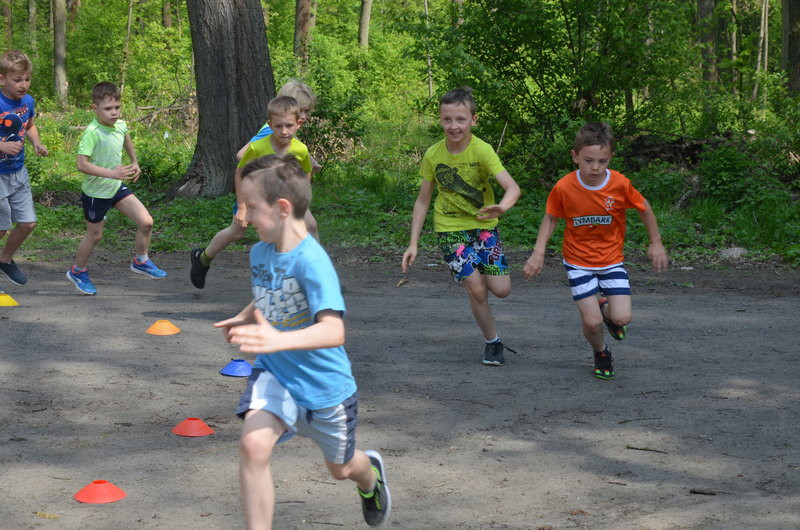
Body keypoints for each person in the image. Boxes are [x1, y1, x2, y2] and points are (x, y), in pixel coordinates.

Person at [214, 154, 390, 529]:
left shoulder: (312, 261)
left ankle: (370, 476)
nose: (244, 216)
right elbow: (273, 291)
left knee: (341, 468)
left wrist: (276, 338)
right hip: (275, 374)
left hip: (325, 388)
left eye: (250, 207)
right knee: (252, 446)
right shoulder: (260, 251)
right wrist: (246, 315)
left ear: (282, 208)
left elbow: (333, 331)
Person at [523, 122, 668, 380]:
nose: (595, 168)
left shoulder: (619, 184)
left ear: (611, 157)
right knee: (591, 323)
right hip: (578, 262)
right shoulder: (564, 187)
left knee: (622, 318)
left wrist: (655, 242)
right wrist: (538, 252)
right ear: (575, 156)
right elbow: (551, 218)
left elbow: (644, 207)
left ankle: (606, 311)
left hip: (611, 260)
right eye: (588, 160)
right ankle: (601, 351)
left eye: (602, 161)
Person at [401, 86, 521, 367]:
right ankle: (492, 343)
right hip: (450, 229)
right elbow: (422, 201)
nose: (453, 126)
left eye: (460, 120)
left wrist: (502, 207)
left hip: (484, 228)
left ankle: (479, 275)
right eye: (447, 119)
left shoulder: (482, 150)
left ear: (473, 120)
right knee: (476, 289)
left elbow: (513, 188)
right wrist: (413, 243)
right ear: (440, 120)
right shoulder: (433, 154)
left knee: (501, 289)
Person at [190, 95, 312, 289]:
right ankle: (202, 258)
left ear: (298, 124)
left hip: (280, 201)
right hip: (254, 198)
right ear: (270, 125)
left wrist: (302, 197)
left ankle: (290, 279)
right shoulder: (258, 147)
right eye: (278, 126)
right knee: (237, 231)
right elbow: (240, 173)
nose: (284, 131)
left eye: (289, 126)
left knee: (287, 232)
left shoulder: (301, 150)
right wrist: (242, 206)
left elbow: (305, 170)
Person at [65, 81, 166, 295]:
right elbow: (81, 165)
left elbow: (126, 140)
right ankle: (77, 271)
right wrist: (111, 173)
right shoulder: (92, 132)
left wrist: (135, 162)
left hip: (116, 187)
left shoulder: (120, 125)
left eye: (117, 107)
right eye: (108, 108)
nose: (114, 112)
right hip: (95, 193)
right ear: (95, 108)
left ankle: (141, 260)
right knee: (95, 236)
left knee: (146, 222)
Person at [236, 79, 322, 236]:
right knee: (237, 231)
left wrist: (311, 160)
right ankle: (205, 253)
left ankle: (309, 252)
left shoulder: (287, 128)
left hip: (285, 193)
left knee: (308, 225)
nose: (303, 115)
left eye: (307, 111)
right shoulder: (270, 130)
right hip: (264, 192)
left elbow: (294, 147)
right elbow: (241, 155)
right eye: (300, 110)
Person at [0, 50, 48, 286]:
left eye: (27, 79)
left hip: (18, 172)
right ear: (2, 79)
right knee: (1, 226)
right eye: (17, 79)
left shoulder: (28, 102)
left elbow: (29, 125)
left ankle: (4, 259)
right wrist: (2, 146)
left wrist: (37, 143)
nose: (24, 84)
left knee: (28, 223)